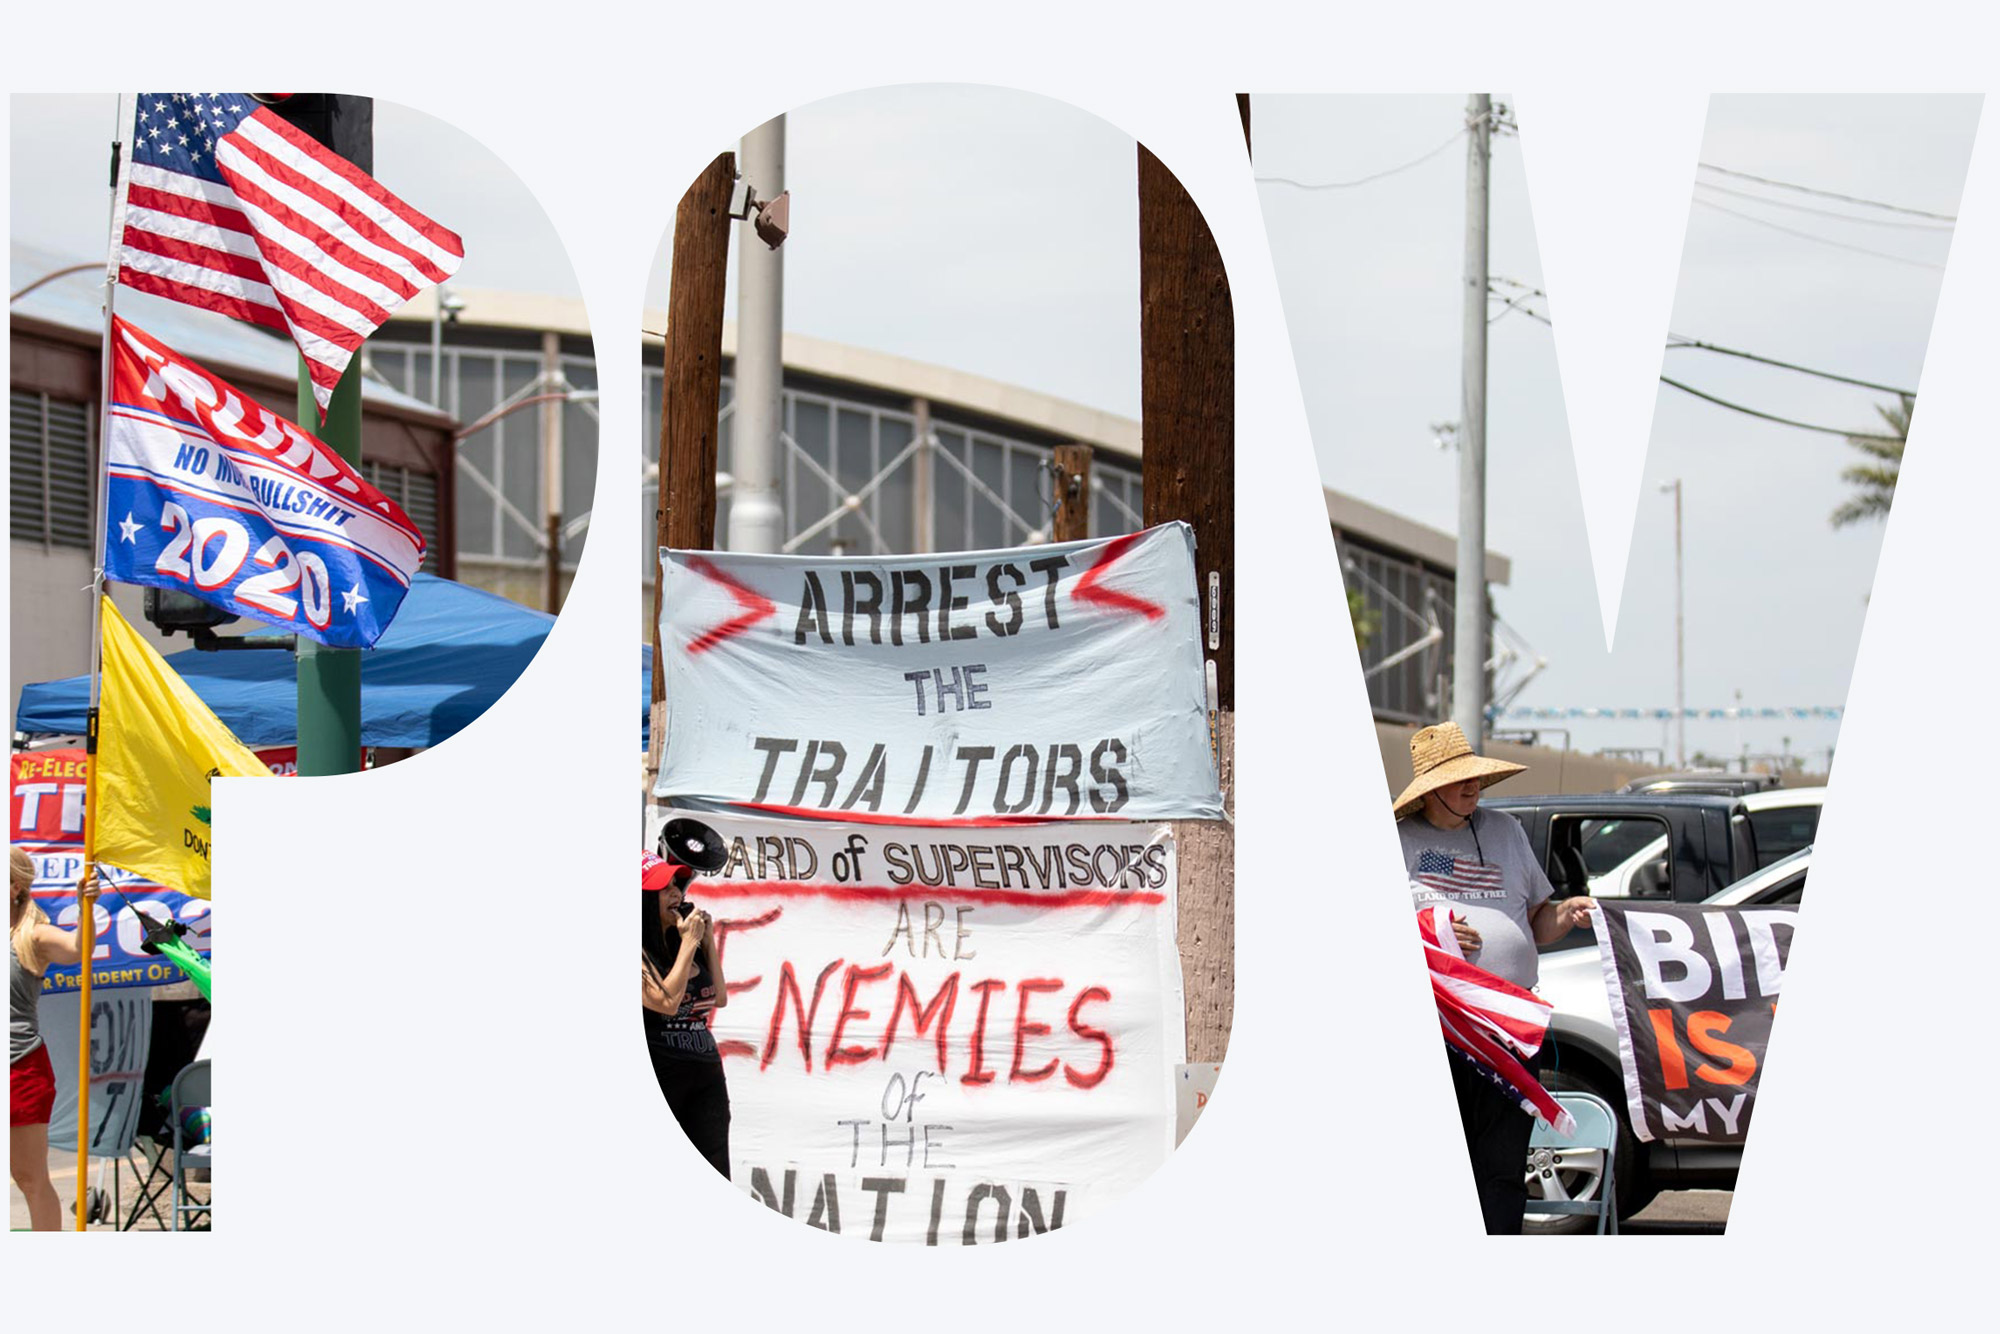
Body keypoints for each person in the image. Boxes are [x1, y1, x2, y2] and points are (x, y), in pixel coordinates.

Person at [1393, 722, 1596, 1234]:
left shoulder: (1507, 832)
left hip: (1512, 1026)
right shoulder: (1396, 841)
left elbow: (1538, 921)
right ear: (1431, 789)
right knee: (1446, 1158)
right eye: (1460, 780)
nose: (1472, 787)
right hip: (1442, 1026)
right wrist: (1430, 937)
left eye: (1475, 779)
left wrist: (1567, 913)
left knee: (1504, 1160)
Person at [641, 845, 731, 1179]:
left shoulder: (683, 943)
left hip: (705, 1076)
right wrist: (690, 943)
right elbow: (665, 1001)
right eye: (664, 889)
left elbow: (718, 997)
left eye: (677, 885)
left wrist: (705, 942)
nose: (676, 893)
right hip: (664, 1075)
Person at [11, 848, 85, 1231]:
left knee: (29, 1176)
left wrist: (83, 907)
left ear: (15, 887)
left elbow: (77, 950)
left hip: (18, 1067)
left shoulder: (32, 936)